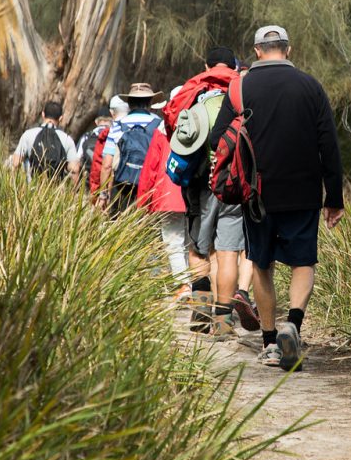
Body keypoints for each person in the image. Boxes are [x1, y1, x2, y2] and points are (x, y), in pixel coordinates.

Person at [210, 25, 344, 371]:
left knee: (261, 264)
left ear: (256, 51)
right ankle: (293, 325)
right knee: (303, 262)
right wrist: (335, 197)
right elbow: (328, 144)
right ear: (288, 48)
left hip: (257, 193)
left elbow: (216, 140)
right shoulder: (311, 87)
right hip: (304, 191)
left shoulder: (240, 87)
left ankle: (270, 343)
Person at [169, 48, 251, 339]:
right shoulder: (243, 88)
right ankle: (223, 320)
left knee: (197, 246)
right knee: (228, 251)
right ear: (234, 65)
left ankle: (200, 309)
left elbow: (174, 130)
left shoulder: (192, 88)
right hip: (232, 181)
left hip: (199, 182)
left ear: (206, 65)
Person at [137, 116, 190, 300]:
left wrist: (142, 202)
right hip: (194, 193)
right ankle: (196, 285)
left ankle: (183, 285)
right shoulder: (199, 123)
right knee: (193, 242)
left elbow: (151, 167)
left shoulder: (162, 129)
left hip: (168, 195)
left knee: (174, 242)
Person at [98, 83, 162, 214]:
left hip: (121, 188)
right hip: (150, 189)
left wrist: (103, 195)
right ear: (150, 103)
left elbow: (107, 165)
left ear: (129, 103)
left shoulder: (118, 125)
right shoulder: (159, 125)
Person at [10, 101, 79, 181]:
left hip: (30, 190)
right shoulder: (67, 139)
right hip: (56, 191)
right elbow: (74, 170)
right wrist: (74, 191)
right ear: (61, 118)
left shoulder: (28, 135)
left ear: (43, 115)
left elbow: (15, 163)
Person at [90, 96, 129, 196]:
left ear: (112, 113)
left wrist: (101, 193)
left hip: (115, 186)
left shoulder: (113, 131)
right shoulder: (147, 126)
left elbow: (105, 165)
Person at [74, 103, 113, 188]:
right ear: (112, 121)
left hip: (88, 186)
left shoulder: (86, 137)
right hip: (108, 187)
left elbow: (76, 163)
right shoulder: (114, 137)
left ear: (96, 122)